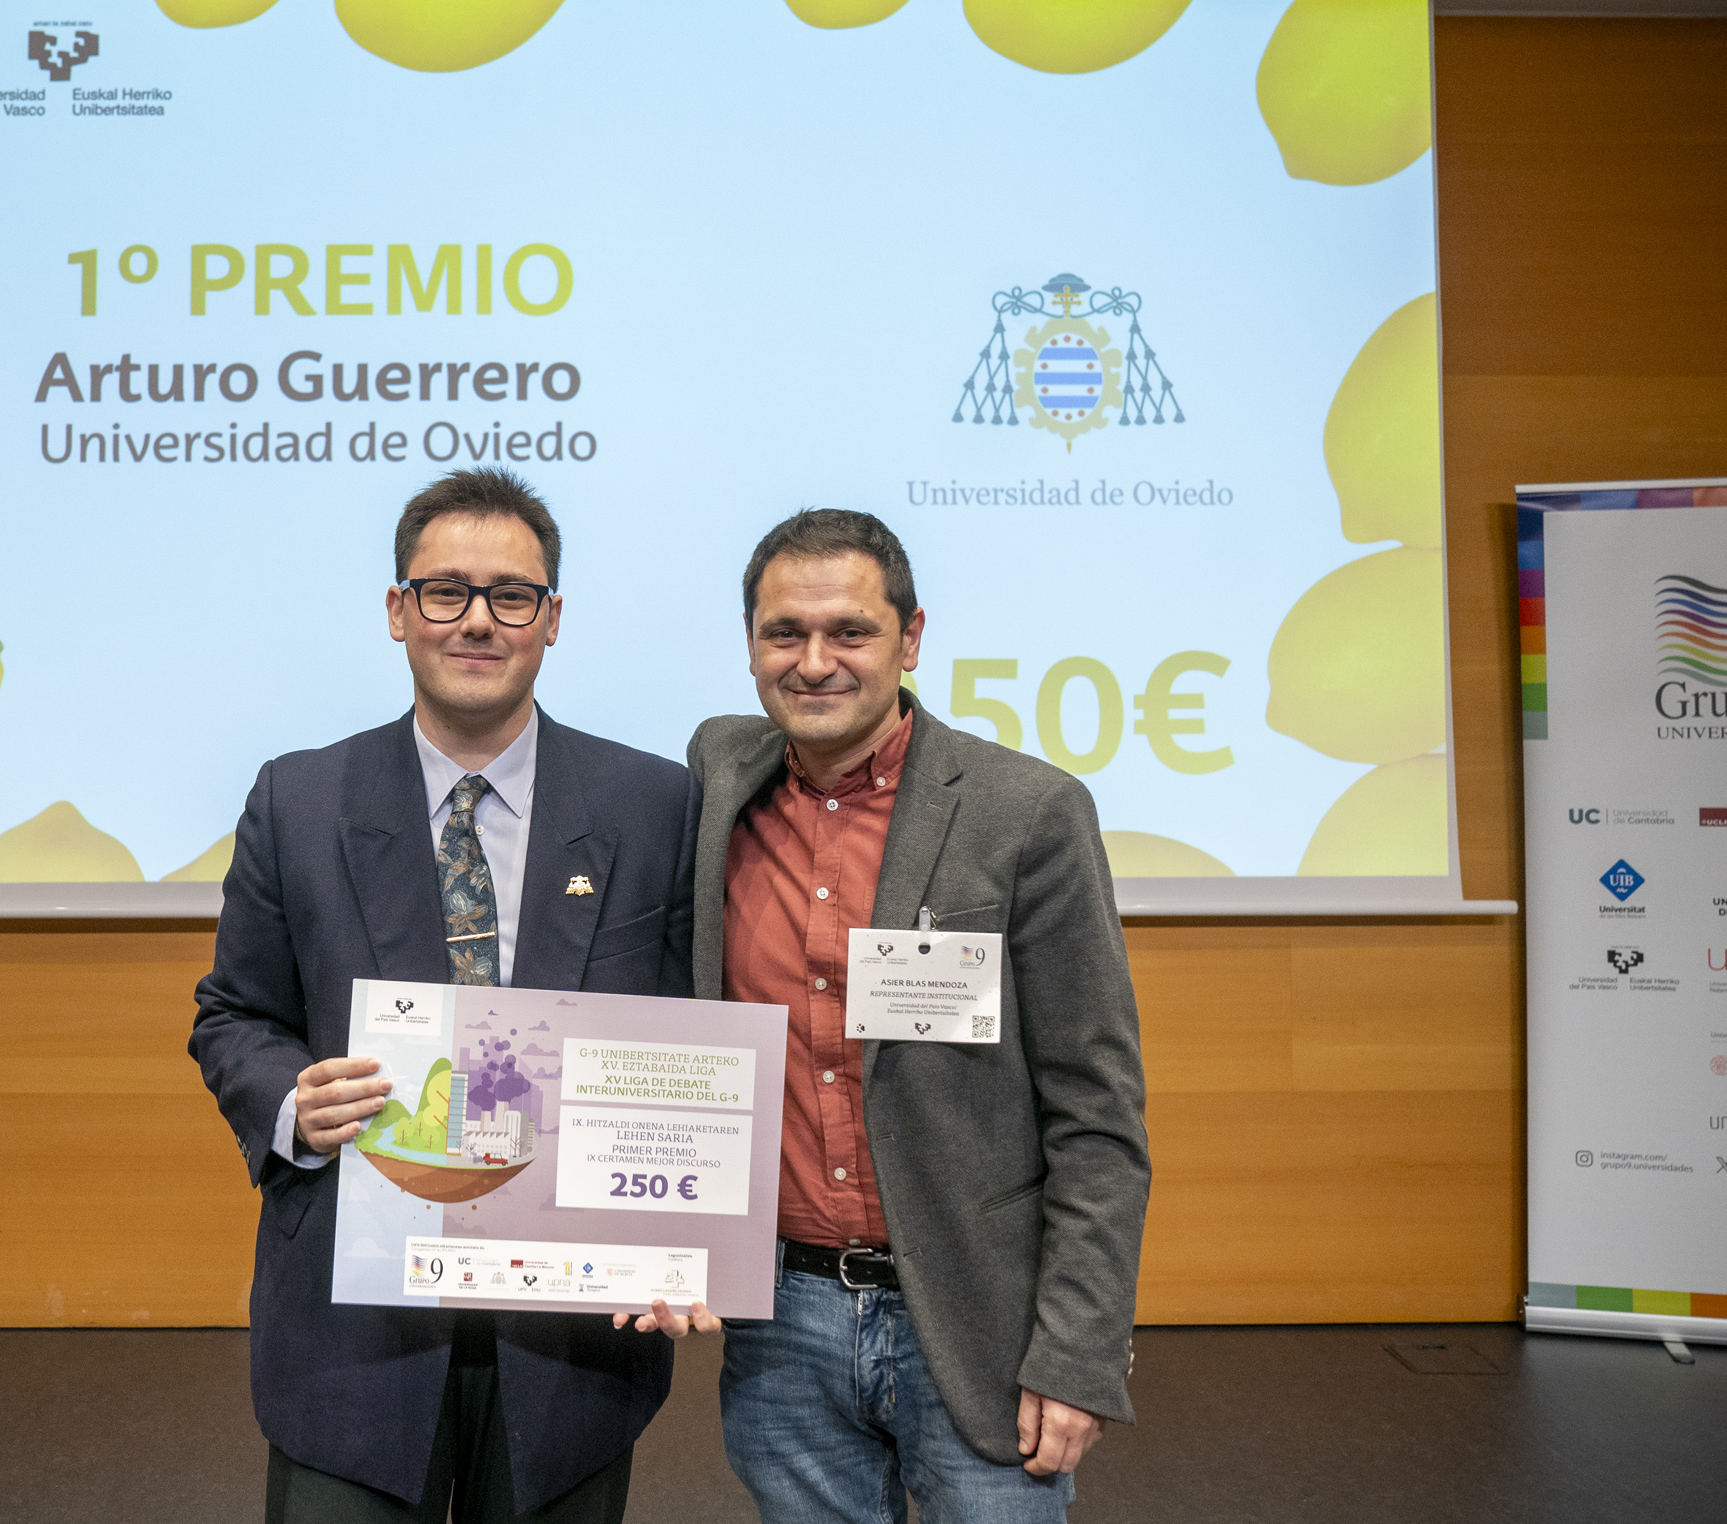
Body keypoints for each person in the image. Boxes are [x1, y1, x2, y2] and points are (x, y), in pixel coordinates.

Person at [189, 467, 698, 1524]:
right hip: (353, 1331)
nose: (478, 620)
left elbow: (690, 1033)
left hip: (571, 1345)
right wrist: (292, 1102)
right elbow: (234, 1015)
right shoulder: (299, 800)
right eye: (445, 591)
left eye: (511, 596)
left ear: (550, 620)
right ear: (397, 611)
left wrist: (691, 1224)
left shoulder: (655, 806)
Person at [679, 508, 1150, 1523]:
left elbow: (1097, 1114)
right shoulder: (722, 776)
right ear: (749, 642)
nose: (813, 662)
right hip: (782, 1318)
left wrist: (1076, 1352)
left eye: (849, 631)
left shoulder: (1025, 811)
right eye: (782, 634)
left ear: (912, 638)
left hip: (977, 1317)